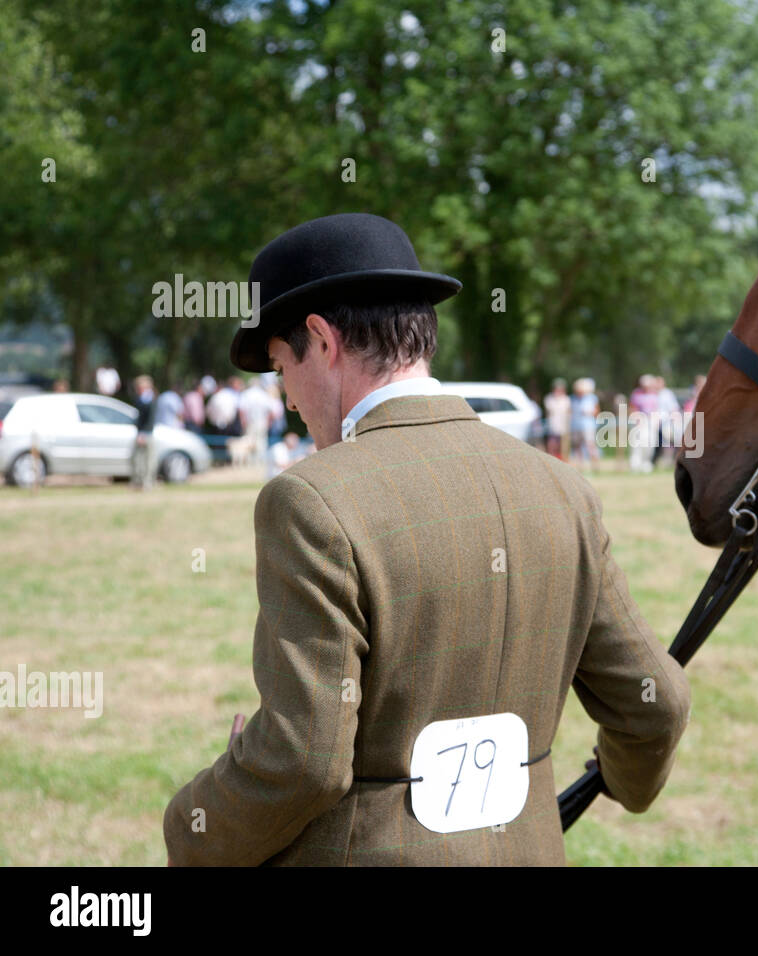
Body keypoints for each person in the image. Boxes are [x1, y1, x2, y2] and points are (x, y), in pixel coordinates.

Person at [163, 212, 690, 866]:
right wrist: (618, 783)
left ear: (322, 341)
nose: (289, 401)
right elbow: (654, 707)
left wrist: (192, 824)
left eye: (279, 368)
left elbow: (306, 760)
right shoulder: (564, 489)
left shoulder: (311, 500)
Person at [129, 375, 157, 490]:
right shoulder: (140, 400)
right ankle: (137, 481)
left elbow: (150, 420)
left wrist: (143, 433)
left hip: (147, 434)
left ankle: (147, 482)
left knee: (148, 460)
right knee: (137, 459)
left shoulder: (151, 400)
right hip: (140, 433)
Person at [570, 377, 599, 470]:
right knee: (577, 446)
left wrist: (588, 413)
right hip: (575, 425)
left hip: (588, 425)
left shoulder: (592, 398)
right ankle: (580, 466)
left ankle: (595, 466)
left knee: (590, 445)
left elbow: (596, 411)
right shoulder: (572, 398)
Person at [543, 377, 571, 460]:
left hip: (563, 427)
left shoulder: (566, 399)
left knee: (563, 447)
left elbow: (568, 413)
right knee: (552, 445)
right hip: (553, 426)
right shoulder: (549, 399)